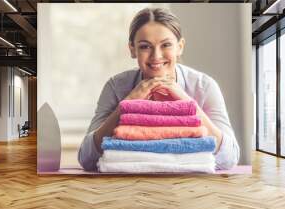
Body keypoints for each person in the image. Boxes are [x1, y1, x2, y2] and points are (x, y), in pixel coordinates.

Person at [78, 7, 240, 171]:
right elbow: (86, 158)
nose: (156, 56)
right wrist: (127, 105)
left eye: (166, 45)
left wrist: (188, 105)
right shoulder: (116, 87)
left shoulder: (204, 87)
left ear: (180, 47)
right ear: (132, 49)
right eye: (145, 46)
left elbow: (230, 158)